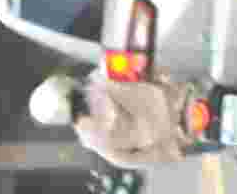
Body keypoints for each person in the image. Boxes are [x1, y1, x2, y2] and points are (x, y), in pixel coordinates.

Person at [32, 66, 188, 171]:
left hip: (179, 134)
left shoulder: (92, 139)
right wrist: (172, 79)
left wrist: (173, 149)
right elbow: (149, 68)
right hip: (179, 96)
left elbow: (130, 160)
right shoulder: (103, 73)